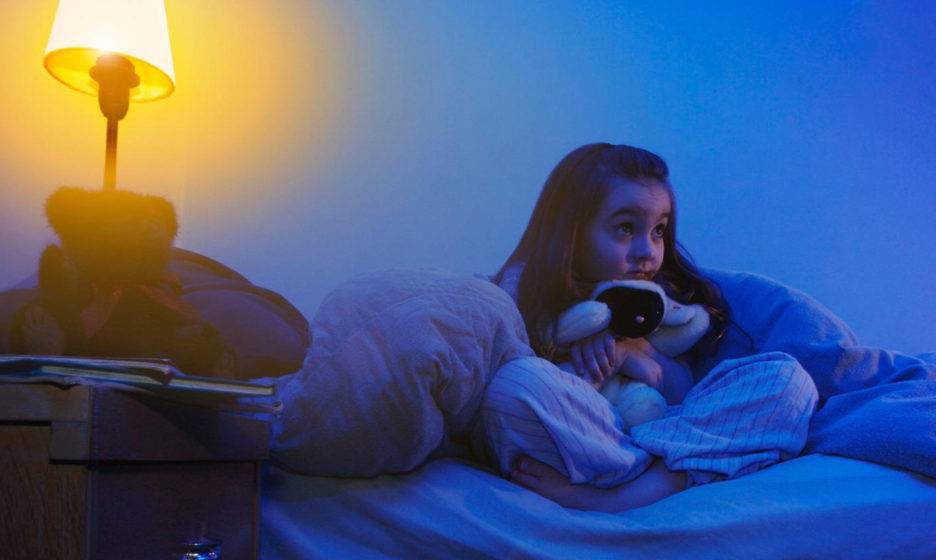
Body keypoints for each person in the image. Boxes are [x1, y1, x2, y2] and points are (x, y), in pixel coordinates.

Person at [482, 143, 819, 511]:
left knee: (788, 378)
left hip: (669, 440)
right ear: (571, 233)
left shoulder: (661, 298)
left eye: (658, 231)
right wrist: (596, 365)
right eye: (626, 229)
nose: (648, 251)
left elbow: (684, 397)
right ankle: (647, 479)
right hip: (588, 438)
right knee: (515, 383)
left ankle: (631, 494)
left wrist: (635, 352)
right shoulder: (521, 293)